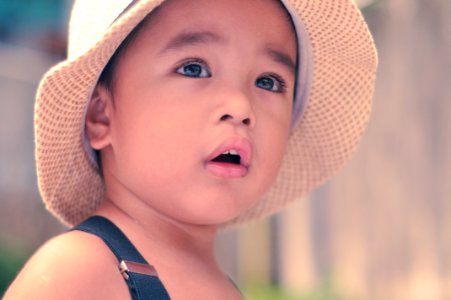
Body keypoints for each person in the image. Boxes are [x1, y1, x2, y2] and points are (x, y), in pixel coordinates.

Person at [4, 0, 377, 299]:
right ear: (101, 115)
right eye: (194, 69)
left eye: (268, 80)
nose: (241, 106)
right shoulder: (80, 270)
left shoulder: (225, 289)